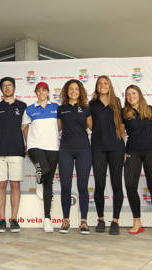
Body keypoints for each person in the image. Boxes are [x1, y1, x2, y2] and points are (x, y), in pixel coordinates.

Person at [123, 85, 152, 237]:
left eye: (133, 93)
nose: (131, 96)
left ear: (139, 94)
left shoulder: (149, 109)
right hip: (132, 151)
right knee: (130, 185)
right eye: (128, 94)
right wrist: (123, 151)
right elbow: (121, 133)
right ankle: (137, 222)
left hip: (151, 150)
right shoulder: (124, 112)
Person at [89, 76, 125, 235]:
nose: (102, 86)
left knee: (117, 183)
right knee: (99, 184)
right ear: (96, 87)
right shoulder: (91, 104)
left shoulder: (116, 101)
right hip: (98, 148)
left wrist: (124, 148)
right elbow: (90, 125)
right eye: (100, 84)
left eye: (105, 83)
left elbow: (122, 126)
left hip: (116, 147)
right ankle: (101, 219)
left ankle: (115, 220)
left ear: (109, 86)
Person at [22, 82, 59, 233]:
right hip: (35, 145)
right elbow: (24, 128)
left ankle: (47, 218)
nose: (41, 92)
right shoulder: (30, 109)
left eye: (44, 90)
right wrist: (29, 143)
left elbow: (59, 125)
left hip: (52, 147)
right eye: (39, 90)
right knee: (43, 169)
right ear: (36, 93)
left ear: (48, 92)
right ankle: (39, 179)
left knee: (49, 180)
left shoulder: (55, 107)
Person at [0, 77, 27, 233]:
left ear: (14, 87)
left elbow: (25, 128)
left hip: (17, 150)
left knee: (15, 185)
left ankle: (14, 219)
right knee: (0, 185)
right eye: (4, 86)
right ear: (1, 89)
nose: (7, 88)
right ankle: (1, 220)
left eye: (9, 85)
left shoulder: (23, 106)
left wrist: (29, 145)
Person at [57, 79, 92, 234]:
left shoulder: (86, 108)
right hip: (65, 150)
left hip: (84, 149)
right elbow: (56, 129)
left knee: (83, 186)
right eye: (70, 89)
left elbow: (94, 127)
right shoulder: (61, 108)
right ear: (66, 91)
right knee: (65, 186)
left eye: (76, 89)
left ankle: (83, 221)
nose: (73, 91)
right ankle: (66, 220)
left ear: (80, 91)